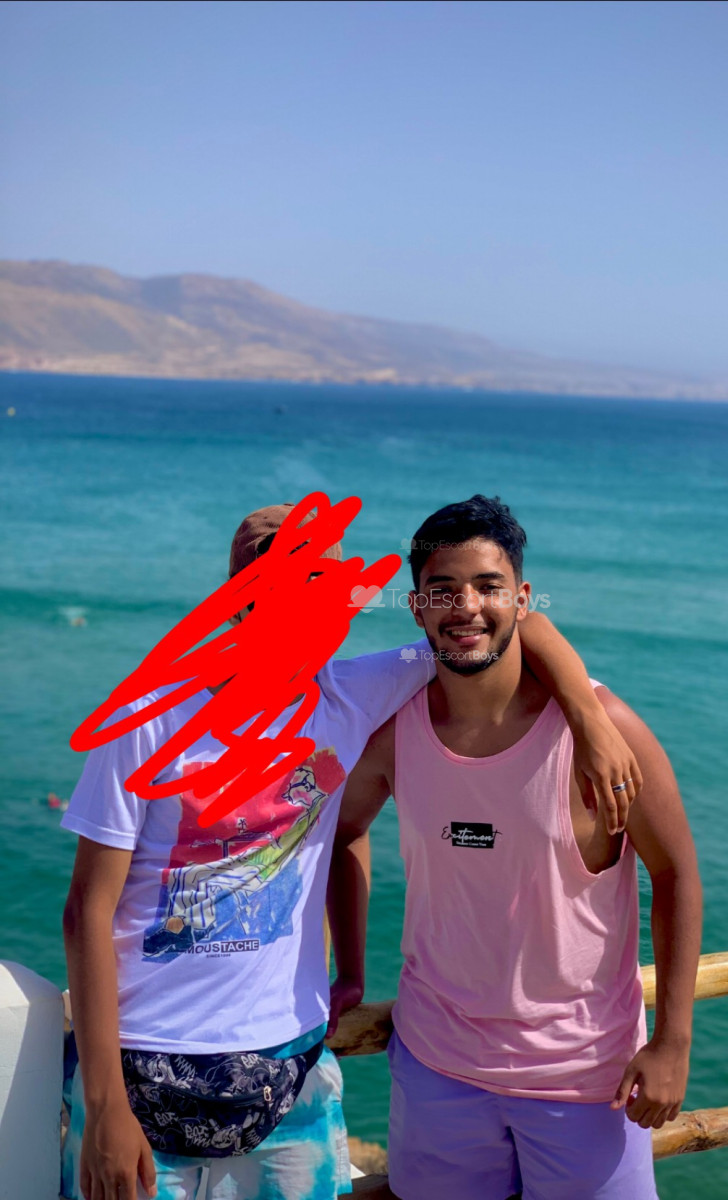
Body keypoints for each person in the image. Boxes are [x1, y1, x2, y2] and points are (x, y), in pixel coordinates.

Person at [61, 499, 641, 1200]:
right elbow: (86, 912)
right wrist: (104, 1107)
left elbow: (511, 623)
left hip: (294, 1062)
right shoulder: (148, 718)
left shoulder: (350, 694)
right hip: (147, 1063)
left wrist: (587, 714)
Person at [329, 495, 703, 1200]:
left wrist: (673, 1041)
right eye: (443, 589)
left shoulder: (602, 729)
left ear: (522, 600)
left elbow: (676, 873)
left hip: (585, 1079)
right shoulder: (395, 732)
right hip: (436, 1068)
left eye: (488, 586)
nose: (466, 607)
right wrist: (348, 971)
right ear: (416, 608)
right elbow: (340, 834)